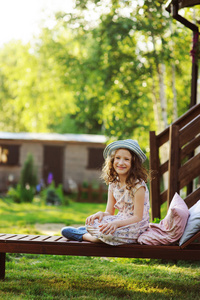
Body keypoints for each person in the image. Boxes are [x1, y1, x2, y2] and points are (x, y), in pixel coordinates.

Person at [61, 139, 150, 246]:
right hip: (119, 221)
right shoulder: (113, 183)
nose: (121, 163)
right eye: (118, 158)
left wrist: (116, 224)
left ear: (133, 163)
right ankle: (90, 230)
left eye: (126, 159)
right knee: (91, 222)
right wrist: (100, 214)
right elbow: (109, 212)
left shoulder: (138, 186)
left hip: (135, 226)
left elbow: (137, 218)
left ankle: (83, 235)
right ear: (112, 161)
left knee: (108, 235)